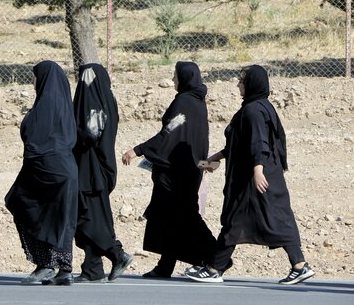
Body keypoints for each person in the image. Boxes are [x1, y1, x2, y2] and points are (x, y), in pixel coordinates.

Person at [185, 65, 314, 284]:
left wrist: (257, 170)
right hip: (264, 174)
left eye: (242, 81)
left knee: (238, 219)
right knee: (275, 219)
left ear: (252, 84)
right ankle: (299, 265)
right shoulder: (262, 106)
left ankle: (215, 269)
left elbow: (258, 142)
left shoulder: (253, 110)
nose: (238, 85)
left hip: (254, 177)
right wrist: (219, 156)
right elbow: (243, 142)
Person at [122, 61, 216, 278]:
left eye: (175, 76)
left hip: (176, 174)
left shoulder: (183, 101)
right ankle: (165, 266)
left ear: (184, 78)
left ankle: (218, 257)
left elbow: (169, 134)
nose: (173, 80)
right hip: (188, 171)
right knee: (172, 219)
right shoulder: (197, 102)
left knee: (184, 218)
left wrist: (138, 150)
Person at [5, 60, 78, 286]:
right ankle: (64, 270)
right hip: (67, 170)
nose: (33, 81)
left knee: (22, 203)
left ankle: (45, 264)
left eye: (35, 76)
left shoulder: (43, 107)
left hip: (45, 169)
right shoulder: (66, 107)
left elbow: (33, 139)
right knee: (61, 218)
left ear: (43, 79)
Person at [72, 63, 134, 283]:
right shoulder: (105, 98)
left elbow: (91, 133)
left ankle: (117, 254)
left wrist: (71, 134)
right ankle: (92, 269)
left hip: (90, 172)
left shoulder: (92, 102)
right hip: (96, 169)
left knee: (87, 219)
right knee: (92, 218)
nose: (82, 84)